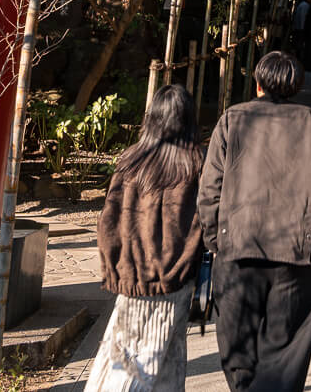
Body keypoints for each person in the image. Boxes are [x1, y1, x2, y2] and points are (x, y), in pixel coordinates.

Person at [198, 51, 311, 392]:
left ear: (258, 83)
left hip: (239, 250)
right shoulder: (310, 121)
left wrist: (216, 240)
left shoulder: (233, 118)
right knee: (286, 346)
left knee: (237, 348)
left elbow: (210, 188)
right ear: (295, 85)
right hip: (296, 255)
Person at [86, 84, 205, 392]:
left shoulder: (131, 161)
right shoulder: (195, 163)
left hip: (132, 277)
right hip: (175, 279)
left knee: (138, 355)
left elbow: (109, 221)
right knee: (150, 361)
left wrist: (115, 267)